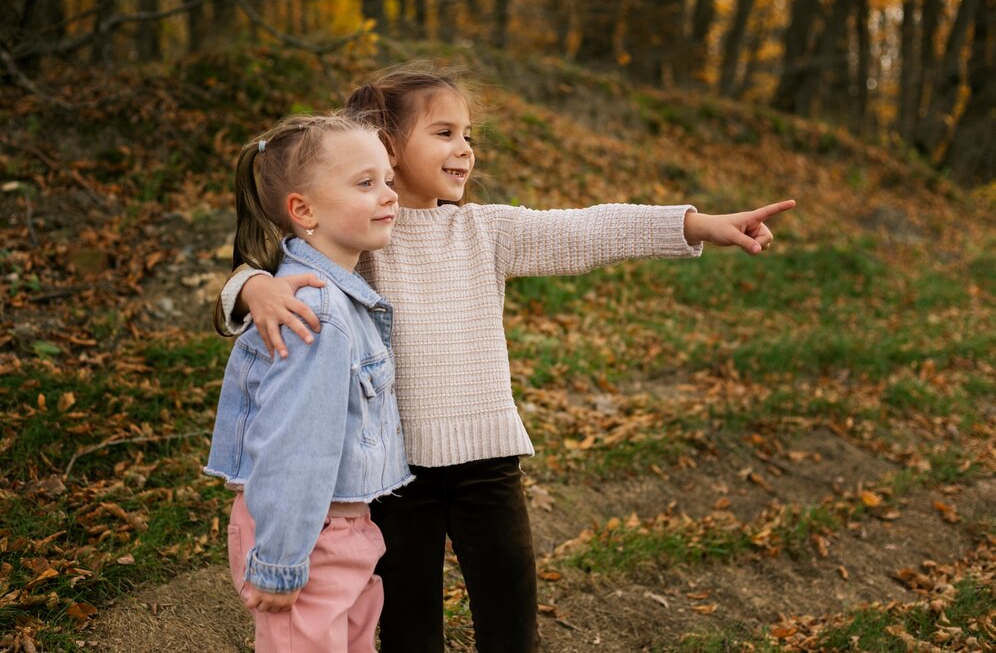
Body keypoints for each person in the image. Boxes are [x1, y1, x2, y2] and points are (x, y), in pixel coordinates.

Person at [215, 64, 795, 653]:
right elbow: (281, 265)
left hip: (488, 466)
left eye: (468, 135)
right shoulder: (361, 236)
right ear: (387, 146)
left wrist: (696, 224)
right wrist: (250, 288)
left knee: (512, 623)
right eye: (444, 133)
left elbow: (588, 231)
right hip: (393, 478)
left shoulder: (483, 231)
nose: (464, 149)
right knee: (410, 631)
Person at [204, 111, 412, 653]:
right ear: (304, 210)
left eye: (388, 179)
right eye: (365, 184)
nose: (389, 195)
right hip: (307, 534)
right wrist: (280, 560)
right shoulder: (314, 314)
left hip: (343, 529)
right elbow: (295, 446)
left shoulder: (337, 296)